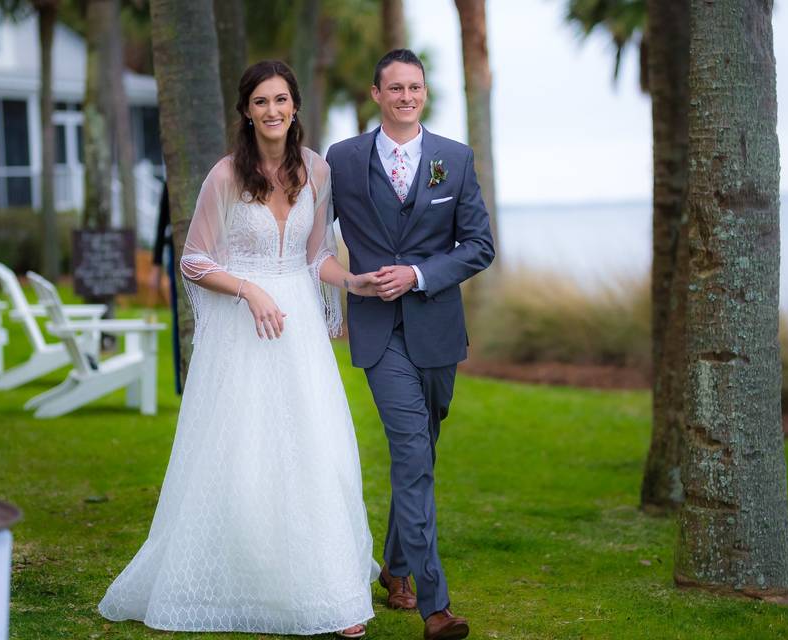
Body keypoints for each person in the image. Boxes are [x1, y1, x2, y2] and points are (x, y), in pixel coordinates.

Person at [98, 60, 380, 638]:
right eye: (260, 102)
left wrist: (348, 282)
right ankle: (247, 577)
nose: (272, 111)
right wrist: (248, 289)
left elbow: (314, 255)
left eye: (281, 100)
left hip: (297, 326)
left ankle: (333, 592)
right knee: (243, 455)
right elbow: (194, 259)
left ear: (295, 106)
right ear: (246, 112)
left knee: (314, 450)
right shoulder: (225, 176)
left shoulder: (318, 171)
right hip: (242, 332)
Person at [326, 48, 496, 640]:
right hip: (377, 331)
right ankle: (435, 606)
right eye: (394, 88)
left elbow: (479, 245)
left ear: (424, 93)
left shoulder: (455, 158)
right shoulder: (343, 160)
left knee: (421, 452)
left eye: (415, 88)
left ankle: (395, 569)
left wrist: (420, 275)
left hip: (437, 329)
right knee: (411, 452)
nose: (405, 97)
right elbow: (313, 228)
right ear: (376, 93)